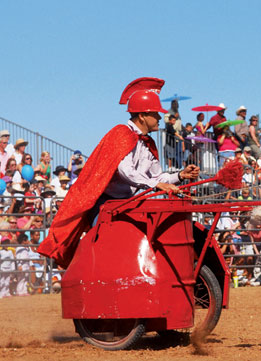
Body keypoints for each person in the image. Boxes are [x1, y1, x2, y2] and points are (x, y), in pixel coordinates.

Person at [37, 77, 200, 268]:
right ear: (142, 116)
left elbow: (157, 177)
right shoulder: (121, 134)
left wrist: (180, 175)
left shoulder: (148, 144)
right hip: (104, 203)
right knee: (106, 243)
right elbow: (126, 172)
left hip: (125, 203)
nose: (159, 118)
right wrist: (156, 184)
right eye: (155, 113)